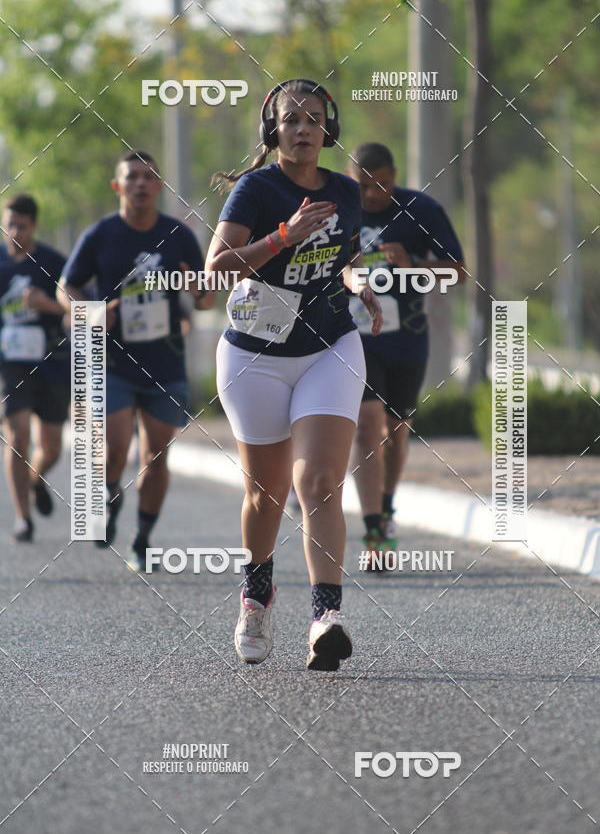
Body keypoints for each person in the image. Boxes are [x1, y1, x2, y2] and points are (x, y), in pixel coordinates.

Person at [206, 78, 382, 671]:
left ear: (327, 128)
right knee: (266, 493)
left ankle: (325, 617)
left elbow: (347, 258)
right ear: (273, 129)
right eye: (290, 120)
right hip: (255, 354)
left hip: (329, 345)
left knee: (321, 484)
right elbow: (217, 265)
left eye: (312, 119)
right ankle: (256, 596)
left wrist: (361, 285)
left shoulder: (346, 192)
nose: (302, 128)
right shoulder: (257, 189)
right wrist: (283, 236)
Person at [58, 150, 213, 570]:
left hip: (165, 364)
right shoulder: (101, 235)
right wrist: (87, 312)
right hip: (113, 362)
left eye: (149, 177)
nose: (141, 184)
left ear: (158, 186)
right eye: (133, 177)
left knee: (157, 457)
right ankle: (109, 491)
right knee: (116, 446)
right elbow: (66, 286)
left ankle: (142, 539)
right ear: (118, 186)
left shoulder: (179, 236)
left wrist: (199, 290)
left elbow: (205, 299)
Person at [347, 142, 465, 564]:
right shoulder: (341, 207)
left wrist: (412, 263)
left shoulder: (421, 209)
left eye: (382, 184)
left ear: (394, 176)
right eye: (364, 185)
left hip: (407, 337)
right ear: (351, 178)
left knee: (396, 431)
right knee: (367, 423)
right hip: (356, 336)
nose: (373, 194)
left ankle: (387, 503)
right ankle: (374, 527)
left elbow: (458, 272)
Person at [0, 194, 70, 542]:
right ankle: (23, 519)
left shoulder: (55, 263)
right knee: (18, 437)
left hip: (52, 363)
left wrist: (47, 305)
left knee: (52, 446)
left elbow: (80, 310)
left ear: (34, 226)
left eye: (21, 226)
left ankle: (35, 478)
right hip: (10, 365)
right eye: (9, 224)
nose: (14, 232)